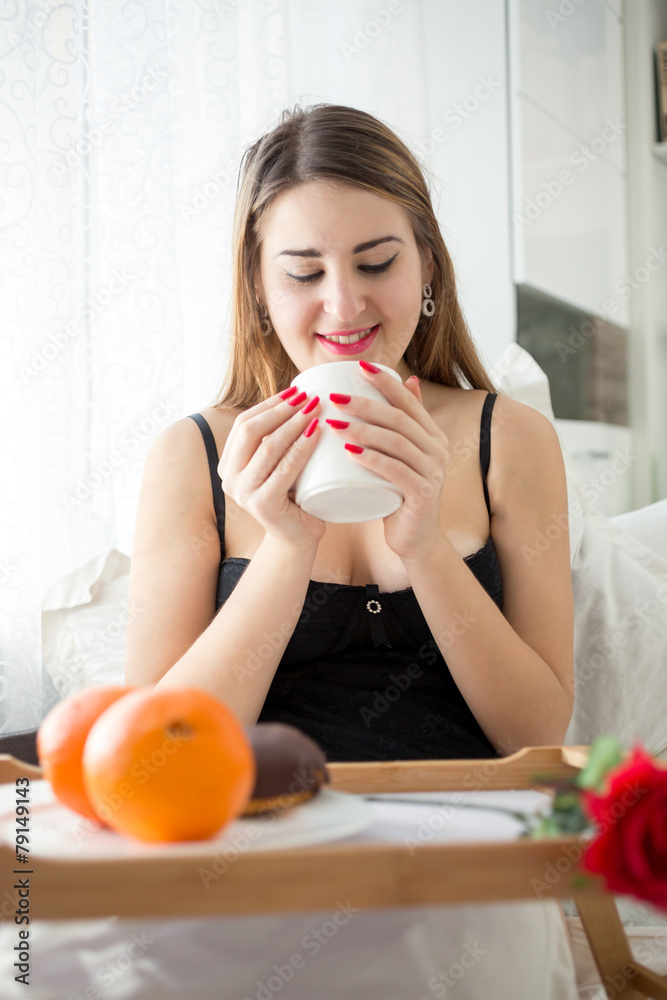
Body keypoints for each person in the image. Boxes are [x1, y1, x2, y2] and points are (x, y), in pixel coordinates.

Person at [124, 104, 579, 999]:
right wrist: (285, 550)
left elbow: (535, 736)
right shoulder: (195, 457)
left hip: (457, 843)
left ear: (427, 269)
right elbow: (160, 759)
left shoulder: (507, 439)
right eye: (302, 272)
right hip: (247, 846)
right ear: (257, 287)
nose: (343, 305)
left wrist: (424, 546)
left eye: (377, 263)